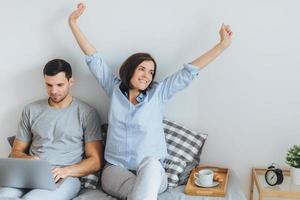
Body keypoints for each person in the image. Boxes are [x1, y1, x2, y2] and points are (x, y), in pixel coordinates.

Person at [69, 3, 232, 200]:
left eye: (151, 72)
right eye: (142, 69)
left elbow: (189, 72)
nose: (147, 75)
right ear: (130, 69)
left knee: (150, 167)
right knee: (142, 194)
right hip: (116, 169)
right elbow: (93, 58)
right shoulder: (113, 89)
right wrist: (73, 23)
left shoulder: (159, 93)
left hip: (152, 171)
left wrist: (221, 46)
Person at [0, 59, 103, 200]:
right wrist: (29, 159)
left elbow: (95, 161)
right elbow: (16, 151)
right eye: (49, 85)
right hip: (30, 172)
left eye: (59, 85)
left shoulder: (86, 113)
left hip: (65, 176)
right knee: (4, 195)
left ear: (70, 82)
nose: (53, 91)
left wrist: (65, 171)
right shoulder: (30, 110)